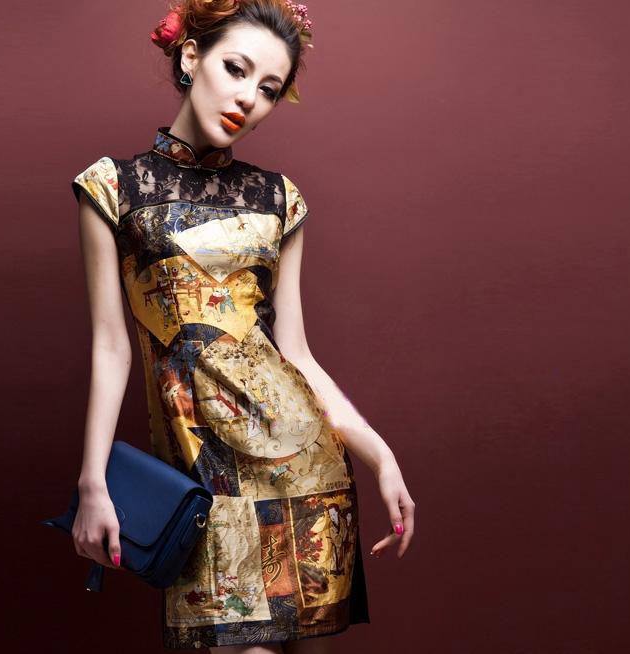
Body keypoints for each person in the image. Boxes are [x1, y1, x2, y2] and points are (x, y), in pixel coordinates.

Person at [69, 0, 415, 651]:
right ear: (190, 55)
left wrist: (381, 456)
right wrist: (93, 481)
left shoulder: (279, 199)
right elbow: (111, 346)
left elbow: (297, 355)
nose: (248, 98)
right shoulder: (114, 187)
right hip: (207, 481)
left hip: (305, 468)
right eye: (236, 68)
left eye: (269, 89)